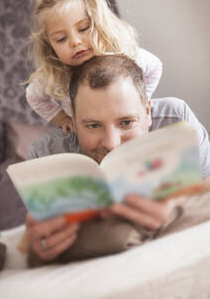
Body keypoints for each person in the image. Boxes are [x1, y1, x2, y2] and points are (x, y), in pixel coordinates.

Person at [26, 54, 210, 262]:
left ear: (147, 111)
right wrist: (39, 247)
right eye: (93, 125)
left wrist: (178, 209)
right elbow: (32, 246)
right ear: (74, 121)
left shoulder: (176, 121)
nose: (112, 144)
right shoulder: (45, 155)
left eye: (126, 122)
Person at [26, 0, 163, 134]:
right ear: (50, 45)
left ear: (101, 23)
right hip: (90, 142)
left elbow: (155, 67)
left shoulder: (125, 57)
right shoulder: (56, 76)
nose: (75, 42)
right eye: (61, 39)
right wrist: (63, 119)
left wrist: (141, 100)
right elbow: (34, 97)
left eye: (84, 28)